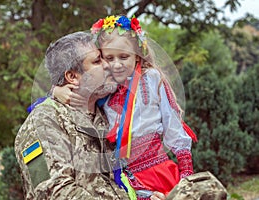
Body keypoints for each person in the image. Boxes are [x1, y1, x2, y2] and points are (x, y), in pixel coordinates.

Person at [53, 15, 197, 199]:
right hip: (124, 179)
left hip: (159, 170)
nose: (117, 64)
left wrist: (186, 174)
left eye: (124, 57)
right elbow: (76, 88)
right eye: (109, 58)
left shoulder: (151, 79)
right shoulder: (104, 87)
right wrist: (56, 90)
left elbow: (173, 125)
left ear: (137, 56)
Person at [15, 31, 166, 200]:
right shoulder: (44, 121)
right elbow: (53, 192)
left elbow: (117, 181)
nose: (108, 65)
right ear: (72, 77)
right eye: (97, 61)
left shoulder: (109, 115)